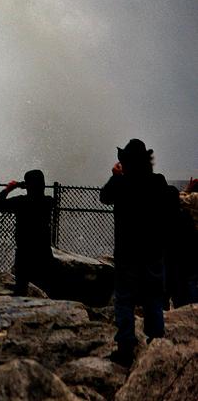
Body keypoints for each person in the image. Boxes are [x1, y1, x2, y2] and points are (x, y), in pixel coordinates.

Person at [99, 138, 174, 367]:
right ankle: (156, 344)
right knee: (153, 298)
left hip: (127, 254)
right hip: (152, 252)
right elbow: (171, 203)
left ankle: (125, 348)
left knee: (124, 300)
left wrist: (115, 176)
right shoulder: (158, 182)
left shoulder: (122, 183)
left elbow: (104, 197)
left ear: (126, 162)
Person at [0, 169, 55, 296]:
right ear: (42, 184)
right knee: (47, 289)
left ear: (27, 185)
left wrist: (10, 188)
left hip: (24, 254)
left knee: (21, 290)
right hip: (43, 252)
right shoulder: (48, 202)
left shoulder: (21, 202)